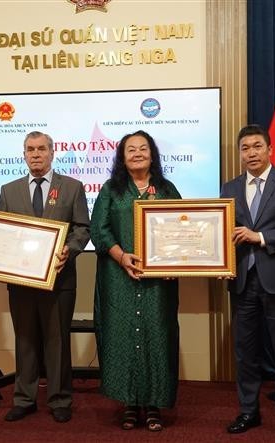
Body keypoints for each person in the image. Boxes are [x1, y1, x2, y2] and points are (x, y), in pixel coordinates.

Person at [219, 124, 275, 440]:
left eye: (257, 146)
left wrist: (259, 237)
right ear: (240, 153)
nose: (251, 153)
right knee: (245, 352)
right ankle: (249, 411)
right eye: (245, 148)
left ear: (270, 150)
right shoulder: (228, 188)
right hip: (243, 280)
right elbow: (222, 233)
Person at [91, 130, 182, 432]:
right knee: (123, 337)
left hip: (158, 283)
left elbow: (183, 229)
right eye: (131, 149)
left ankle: (154, 404)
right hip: (119, 279)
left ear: (153, 154)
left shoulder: (167, 190)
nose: (138, 153)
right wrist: (121, 257)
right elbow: (99, 230)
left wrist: (173, 262)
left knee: (158, 336)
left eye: (144, 148)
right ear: (122, 156)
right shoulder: (110, 190)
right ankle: (129, 404)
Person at [0, 131, 90, 423]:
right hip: (21, 281)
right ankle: (24, 398)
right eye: (30, 149)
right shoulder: (9, 190)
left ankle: (60, 398)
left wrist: (69, 250)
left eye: (41, 149)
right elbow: (1, 232)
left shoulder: (72, 187)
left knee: (57, 341)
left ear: (52, 153)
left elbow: (82, 228)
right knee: (25, 339)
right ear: (23, 154)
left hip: (59, 280)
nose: (35, 154)